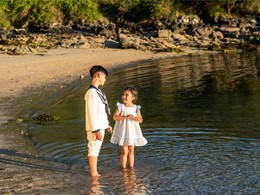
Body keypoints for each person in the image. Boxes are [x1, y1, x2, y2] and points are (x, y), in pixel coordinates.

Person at [85, 65, 113, 177]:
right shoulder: (91, 92)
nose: (105, 80)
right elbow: (92, 112)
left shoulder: (98, 91)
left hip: (101, 125)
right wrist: (96, 130)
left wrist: (107, 125)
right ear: (98, 75)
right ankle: (94, 173)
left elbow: (101, 111)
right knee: (93, 148)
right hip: (95, 127)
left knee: (97, 148)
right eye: (104, 77)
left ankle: (94, 172)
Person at [110, 87, 147, 169]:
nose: (124, 96)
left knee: (131, 150)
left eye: (127, 95)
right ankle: (123, 169)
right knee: (124, 151)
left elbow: (140, 119)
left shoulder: (136, 108)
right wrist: (125, 117)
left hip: (132, 132)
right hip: (123, 131)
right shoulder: (120, 107)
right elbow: (115, 117)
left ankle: (131, 168)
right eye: (123, 94)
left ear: (133, 98)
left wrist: (135, 118)